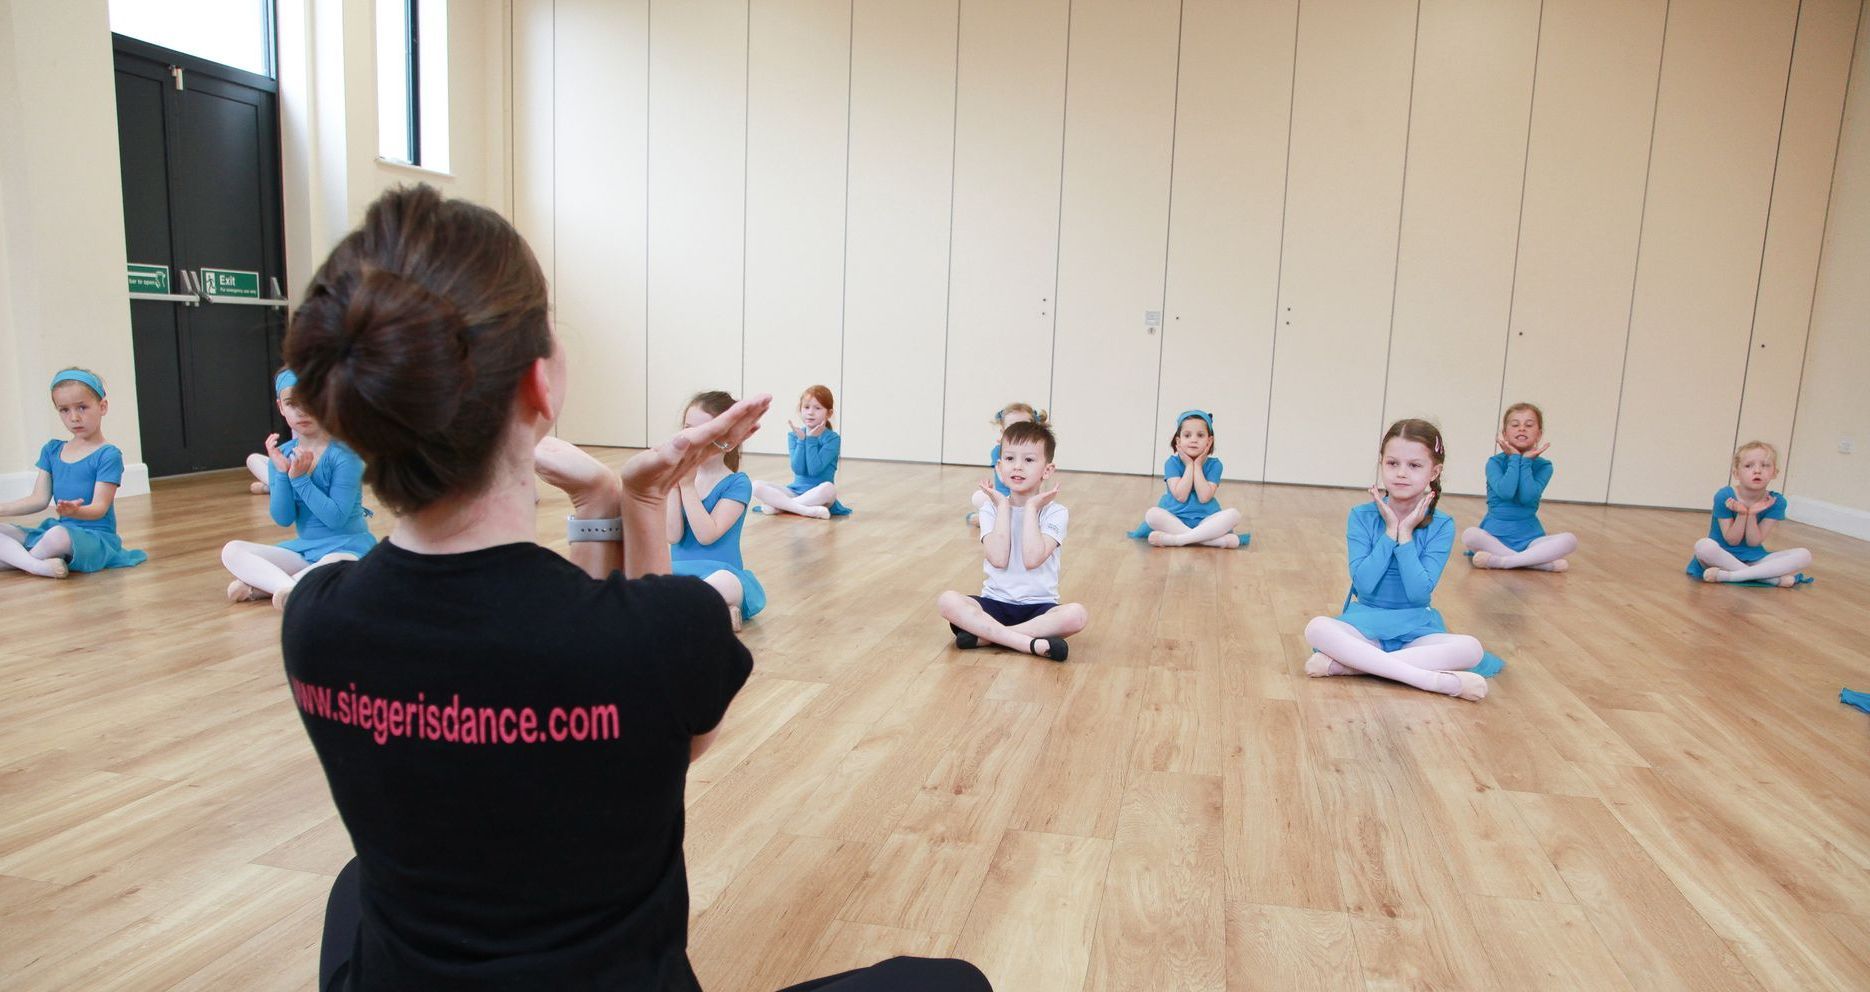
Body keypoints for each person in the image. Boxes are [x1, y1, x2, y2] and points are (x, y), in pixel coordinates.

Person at [279, 184, 988, 991]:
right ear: (540, 389)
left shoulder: (316, 618)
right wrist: (638, 501)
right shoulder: (666, 630)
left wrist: (598, 509)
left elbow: (552, 670)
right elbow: (645, 729)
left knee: (355, 886)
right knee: (951, 984)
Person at [1302, 419, 1499, 701]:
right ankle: (1432, 680)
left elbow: (1419, 592)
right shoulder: (1361, 515)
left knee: (1471, 648)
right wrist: (1390, 532)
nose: (1401, 474)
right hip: (1365, 625)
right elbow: (1365, 585)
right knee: (1317, 628)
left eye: (1414, 465)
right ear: (1381, 464)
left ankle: (1358, 666)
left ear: (1435, 471)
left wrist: (1405, 536)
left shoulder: (1442, 524)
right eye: (1392, 463)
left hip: (1417, 629)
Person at [937, 418, 1088, 662]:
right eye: (1009, 459)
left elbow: (1032, 558)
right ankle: (1029, 643)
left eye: (1028, 460)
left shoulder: (1056, 512)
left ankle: (987, 637)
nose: (1017, 467)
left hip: (1039, 609)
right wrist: (1004, 508)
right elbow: (998, 558)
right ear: (998, 466)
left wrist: (1030, 508)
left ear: (1047, 470)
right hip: (994, 605)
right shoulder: (991, 510)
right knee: (947, 601)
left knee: (1076, 615)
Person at [222, 368, 376, 607]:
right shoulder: (281, 454)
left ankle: (268, 586)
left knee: (336, 563)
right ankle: (290, 588)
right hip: (304, 551)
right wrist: (282, 474)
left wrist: (300, 479)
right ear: (281, 407)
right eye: (292, 403)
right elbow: (283, 518)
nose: (301, 410)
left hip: (347, 548)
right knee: (232, 551)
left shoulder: (346, 456)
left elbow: (335, 519)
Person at [0, 368, 147, 577]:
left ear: (102, 406)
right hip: (59, 529)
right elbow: (39, 500)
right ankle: (36, 564)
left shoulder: (108, 455)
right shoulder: (52, 450)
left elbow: (99, 508)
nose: (74, 417)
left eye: (82, 407)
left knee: (56, 536)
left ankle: (25, 562)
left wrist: (76, 512)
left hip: (94, 537)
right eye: (64, 410)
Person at [669, 391, 768, 630]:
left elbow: (707, 535)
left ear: (725, 437)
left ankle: (696, 610)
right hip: (677, 575)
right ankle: (713, 612)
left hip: (720, 575)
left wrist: (686, 486)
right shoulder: (675, 476)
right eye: (688, 428)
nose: (693, 438)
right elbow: (672, 535)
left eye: (705, 431)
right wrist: (673, 484)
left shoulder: (737, 483)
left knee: (724, 582)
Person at [1461, 402, 1576, 571]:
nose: (1522, 429)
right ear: (1505, 433)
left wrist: (1526, 463)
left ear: (1539, 434)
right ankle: (1538, 563)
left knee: (1570, 540)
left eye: (1529, 425)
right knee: (1470, 535)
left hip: (1530, 539)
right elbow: (1506, 492)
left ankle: (1503, 561)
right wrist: (1515, 459)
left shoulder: (1545, 466)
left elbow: (1527, 496)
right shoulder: (1494, 463)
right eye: (1515, 425)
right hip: (1493, 537)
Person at [1686, 440, 1813, 586]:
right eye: (1748, 466)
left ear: (1775, 473)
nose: (1757, 470)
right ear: (1736, 473)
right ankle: (1768, 578)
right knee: (1704, 546)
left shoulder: (1777, 501)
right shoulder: (1724, 496)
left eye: (1765, 465)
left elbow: (1754, 542)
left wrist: (1751, 514)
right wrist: (1742, 514)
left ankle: (1732, 576)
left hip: (1754, 558)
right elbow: (1732, 540)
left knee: (1804, 555)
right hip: (1721, 556)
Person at [1127, 409, 1248, 548]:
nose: (1194, 439)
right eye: (1187, 435)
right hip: (1175, 518)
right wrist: (1189, 465)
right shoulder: (1171, 463)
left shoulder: (1215, 465)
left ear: (1209, 441)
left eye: (1200, 435)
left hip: (1206, 519)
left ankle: (1177, 540)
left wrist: (1197, 465)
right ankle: (1211, 541)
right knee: (1152, 514)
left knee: (1234, 515)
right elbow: (1181, 496)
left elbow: (1204, 497)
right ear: (1179, 440)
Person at [751, 384, 851, 518]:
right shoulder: (795, 435)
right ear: (800, 410)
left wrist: (811, 440)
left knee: (829, 488)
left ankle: (781, 507)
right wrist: (801, 441)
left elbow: (814, 470)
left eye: (817, 408)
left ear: (829, 413)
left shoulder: (832, 438)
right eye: (806, 407)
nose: (810, 412)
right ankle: (803, 510)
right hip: (795, 492)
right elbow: (798, 469)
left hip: (820, 496)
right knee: (756, 486)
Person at [965, 403, 1043, 530]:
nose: (1018, 433)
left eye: (1024, 428)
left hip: (1026, 501)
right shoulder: (998, 451)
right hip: (1003, 500)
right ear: (1003, 432)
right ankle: (989, 517)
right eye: (1012, 429)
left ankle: (989, 519)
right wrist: (990, 492)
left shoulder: (1037, 452)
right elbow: (1004, 479)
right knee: (978, 497)